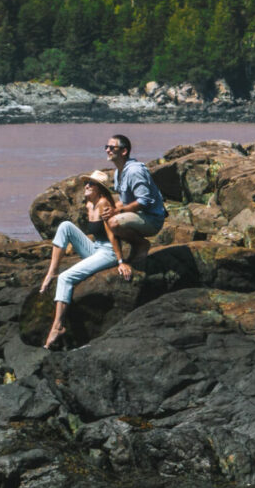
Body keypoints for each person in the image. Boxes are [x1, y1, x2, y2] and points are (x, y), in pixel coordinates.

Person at [38, 170, 125, 350]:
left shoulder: (103, 204)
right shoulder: (89, 205)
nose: (86, 186)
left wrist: (120, 261)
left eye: (90, 184)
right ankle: (51, 271)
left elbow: (112, 236)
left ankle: (58, 326)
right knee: (65, 226)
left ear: (99, 189)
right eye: (86, 183)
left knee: (65, 278)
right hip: (95, 248)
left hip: (108, 251)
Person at [101, 134, 166, 279]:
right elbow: (125, 200)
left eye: (112, 148)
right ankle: (116, 255)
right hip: (139, 215)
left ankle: (141, 244)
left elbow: (143, 201)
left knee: (114, 222)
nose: (107, 150)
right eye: (107, 147)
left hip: (152, 219)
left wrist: (117, 211)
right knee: (106, 215)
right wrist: (111, 209)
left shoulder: (134, 171)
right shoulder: (119, 171)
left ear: (124, 151)